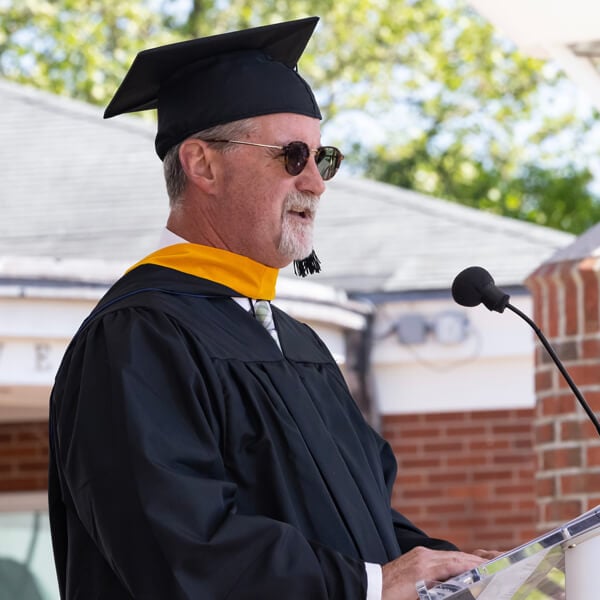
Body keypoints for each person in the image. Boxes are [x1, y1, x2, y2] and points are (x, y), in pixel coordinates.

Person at [48, 16, 494, 600]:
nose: (317, 182)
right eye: (292, 156)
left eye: (323, 157)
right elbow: (179, 550)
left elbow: (362, 520)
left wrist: (455, 570)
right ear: (202, 164)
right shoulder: (138, 337)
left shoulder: (295, 340)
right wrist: (370, 586)